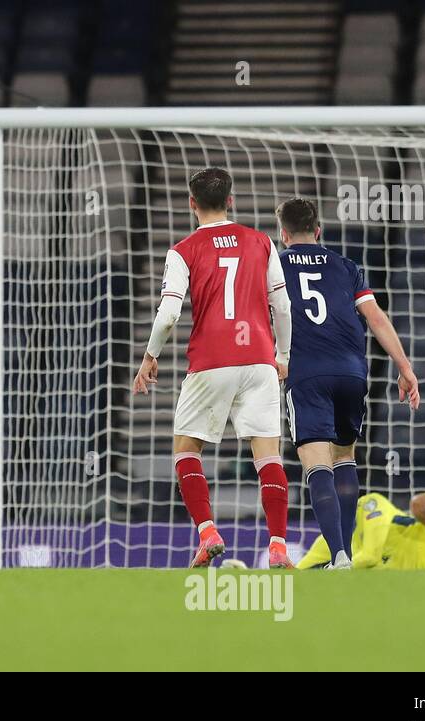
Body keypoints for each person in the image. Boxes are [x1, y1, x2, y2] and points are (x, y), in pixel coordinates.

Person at [132, 167, 294, 568]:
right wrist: (283, 357)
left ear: (192, 203)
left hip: (211, 360)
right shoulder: (261, 241)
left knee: (187, 450)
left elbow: (169, 314)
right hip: (259, 358)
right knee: (268, 457)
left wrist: (150, 356)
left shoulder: (183, 250)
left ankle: (207, 532)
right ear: (230, 201)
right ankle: (277, 547)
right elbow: (284, 307)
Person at [276, 197, 420, 568]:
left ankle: (339, 554)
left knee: (316, 463)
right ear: (318, 230)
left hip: (306, 371)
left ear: (283, 233)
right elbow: (376, 317)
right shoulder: (345, 266)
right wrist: (404, 368)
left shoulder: (273, 265)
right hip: (351, 373)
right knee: (345, 457)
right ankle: (347, 557)